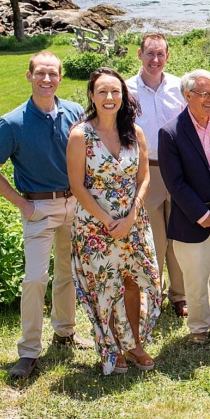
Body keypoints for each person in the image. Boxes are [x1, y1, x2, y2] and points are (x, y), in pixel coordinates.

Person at [0, 51, 92, 380]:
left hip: (73, 204)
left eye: (53, 74)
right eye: (40, 74)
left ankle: (65, 332)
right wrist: (22, 204)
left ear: (60, 77)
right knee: (34, 279)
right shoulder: (12, 123)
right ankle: (29, 351)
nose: (46, 80)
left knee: (67, 273)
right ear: (29, 76)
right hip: (38, 209)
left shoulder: (74, 113)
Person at [67, 68, 162, 375]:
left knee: (134, 281)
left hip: (133, 221)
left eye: (115, 92)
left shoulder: (135, 132)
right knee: (106, 285)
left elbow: (144, 176)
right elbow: (77, 186)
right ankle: (113, 347)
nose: (110, 98)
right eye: (103, 92)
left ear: (123, 95)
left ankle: (134, 344)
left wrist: (132, 213)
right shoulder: (80, 135)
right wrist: (108, 218)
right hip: (96, 224)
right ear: (92, 97)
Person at [158, 69, 210, 345]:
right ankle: (198, 326)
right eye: (203, 94)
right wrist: (202, 214)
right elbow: (175, 182)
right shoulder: (170, 132)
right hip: (191, 220)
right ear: (187, 96)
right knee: (195, 279)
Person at [126, 32, 188, 318]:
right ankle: (153, 295)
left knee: (178, 235)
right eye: (150, 53)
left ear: (168, 56)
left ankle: (180, 295)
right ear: (139, 54)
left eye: (160, 54)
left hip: (178, 170)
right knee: (152, 238)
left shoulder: (179, 87)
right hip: (145, 170)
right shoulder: (126, 89)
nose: (155, 59)